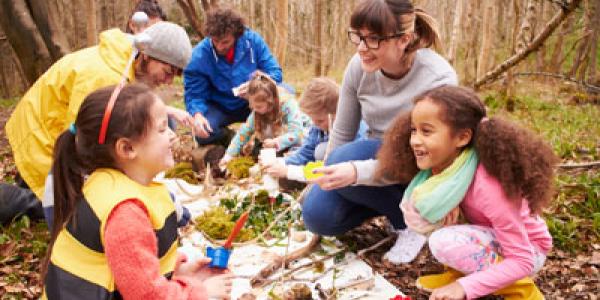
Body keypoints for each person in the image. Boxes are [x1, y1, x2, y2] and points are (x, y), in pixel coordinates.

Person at [43, 83, 235, 299]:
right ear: (127, 148)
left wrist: (177, 273)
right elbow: (147, 296)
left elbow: (129, 268)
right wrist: (201, 293)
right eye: (162, 129)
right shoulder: (125, 212)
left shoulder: (117, 185)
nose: (173, 135)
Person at [301, 0, 457, 263]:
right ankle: (383, 202)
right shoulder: (358, 68)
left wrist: (353, 172)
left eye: (374, 39)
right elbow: (341, 133)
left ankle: (410, 224)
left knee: (344, 162)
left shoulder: (437, 79)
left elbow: (431, 155)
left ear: (403, 39)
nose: (362, 48)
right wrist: (325, 174)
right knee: (318, 216)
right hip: (375, 153)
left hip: (419, 166)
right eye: (358, 37)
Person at [4, 21, 194, 225]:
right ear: (147, 54)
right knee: (63, 206)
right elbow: (85, 141)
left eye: (175, 75)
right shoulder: (104, 77)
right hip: (40, 133)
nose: (168, 81)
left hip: (55, 128)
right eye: (167, 72)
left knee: (49, 192)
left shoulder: (127, 62)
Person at [377, 85, 556, 299]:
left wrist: (465, 287)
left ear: (462, 137)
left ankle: (524, 291)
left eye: (426, 131)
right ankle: (456, 273)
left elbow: (522, 259)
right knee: (436, 215)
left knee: (444, 241)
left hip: (528, 251)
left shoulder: (488, 185)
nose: (415, 140)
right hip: (491, 237)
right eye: (414, 130)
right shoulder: (448, 171)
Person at [184, 7, 284, 146]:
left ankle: (269, 139)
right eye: (215, 41)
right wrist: (197, 115)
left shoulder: (253, 42)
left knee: (285, 93)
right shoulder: (199, 56)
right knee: (204, 133)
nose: (219, 46)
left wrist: (257, 85)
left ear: (237, 35)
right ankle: (228, 138)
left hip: (253, 103)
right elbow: (194, 95)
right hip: (220, 107)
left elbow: (275, 74)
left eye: (225, 42)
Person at [261, 77, 367, 182]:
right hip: (323, 167)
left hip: (349, 174)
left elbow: (334, 166)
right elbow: (306, 153)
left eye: (320, 120)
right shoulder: (318, 127)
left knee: (321, 151)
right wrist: (280, 162)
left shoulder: (355, 130)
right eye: (312, 119)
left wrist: (289, 171)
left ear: (338, 113)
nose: (315, 124)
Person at [219, 72, 309, 165]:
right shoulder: (257, 113)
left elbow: (297, 133)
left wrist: (276, 142)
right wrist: (228, 156)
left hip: (301, 137)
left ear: (271, 102)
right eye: (252, 106)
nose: (255, 110)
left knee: (293, 155)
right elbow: (243, 133)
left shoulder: (288, 105)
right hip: (276, 139)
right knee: (259, 154)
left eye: (258, 107)